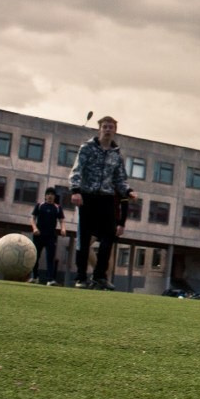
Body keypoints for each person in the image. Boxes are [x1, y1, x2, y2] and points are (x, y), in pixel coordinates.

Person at [69, 115, 135, 290]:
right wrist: (75, 190)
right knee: (84, 238)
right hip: (88, 196)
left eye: (111, 127)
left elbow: (120, 179)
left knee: (109, 236)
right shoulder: (87, 148)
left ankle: (99, 276)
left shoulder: (116, 154)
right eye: (105, 127)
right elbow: (77, 170)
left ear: (115, 131)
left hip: (106, 198)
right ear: (99, 129)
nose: (107, 130)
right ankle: (81, 277)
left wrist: (128, 191)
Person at [30, 187, 66, 285]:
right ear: (45, 196)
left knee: (50, 258)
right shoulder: (40, 206)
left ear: (54, 197)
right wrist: (34, 228)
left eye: (52, 194)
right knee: (35, 256)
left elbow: (62, 220)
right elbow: (33, 218)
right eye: (48, 194)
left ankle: (50, 279)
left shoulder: (57, 208)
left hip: (51, 236)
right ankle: (35, 277)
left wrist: (63, 229)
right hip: (39, 235)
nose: (50, 196)